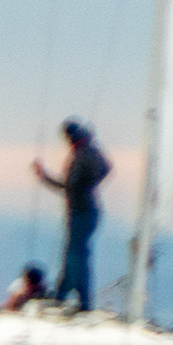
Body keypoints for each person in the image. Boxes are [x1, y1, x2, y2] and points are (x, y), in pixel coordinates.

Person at [33, 120, 112, 311]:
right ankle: (74, 298)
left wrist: (44, 177)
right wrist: (89, 184)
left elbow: (68, 186)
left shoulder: (82, 155)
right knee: (78, 255)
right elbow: (104, 170)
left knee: (75, 256)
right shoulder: (90, 152)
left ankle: (71, 297)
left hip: (81, 212)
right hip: (86, 210)